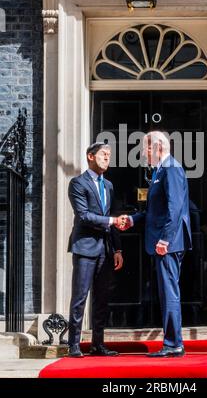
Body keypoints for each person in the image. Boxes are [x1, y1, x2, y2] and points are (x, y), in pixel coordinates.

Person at [122, 131, 192, 357]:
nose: (144, 152)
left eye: (146, 148)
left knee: (169, 292)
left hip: (168, 243)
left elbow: (175, 208)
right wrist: (134, 219)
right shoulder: (160, 171)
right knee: (166, 292)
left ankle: (173, 344)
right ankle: (173, 342)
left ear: (158, 146)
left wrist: (165, 239)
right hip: (164, 241)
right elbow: (155, 211)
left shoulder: (171, 169)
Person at [67, 142, 126, 358]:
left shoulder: (108, 185)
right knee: (80, 297)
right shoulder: (77, 183)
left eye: (109, 155)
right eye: (103, 155)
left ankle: (97, 344)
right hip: (85, 247)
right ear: (90, 156)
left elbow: (113, 215)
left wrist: (117, 249)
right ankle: (73, 344)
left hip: (106, 250)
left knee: (102, 298)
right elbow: (83, 215)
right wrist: (111, 220)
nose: (107, 159)